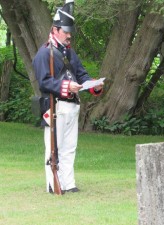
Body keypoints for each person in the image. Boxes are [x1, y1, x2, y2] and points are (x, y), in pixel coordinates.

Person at [32, 0, 104, 194]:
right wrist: (66, 86)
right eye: (65, 31)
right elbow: (44, 82)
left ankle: (68, 183)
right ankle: (52, 184)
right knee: (54, 148)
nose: (69, 35)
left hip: (72, 106)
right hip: (55, 106)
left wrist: (93, 85)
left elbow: (81, 74)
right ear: (55, 30)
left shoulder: (69, 52)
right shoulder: (44, 53)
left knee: (69, 147)